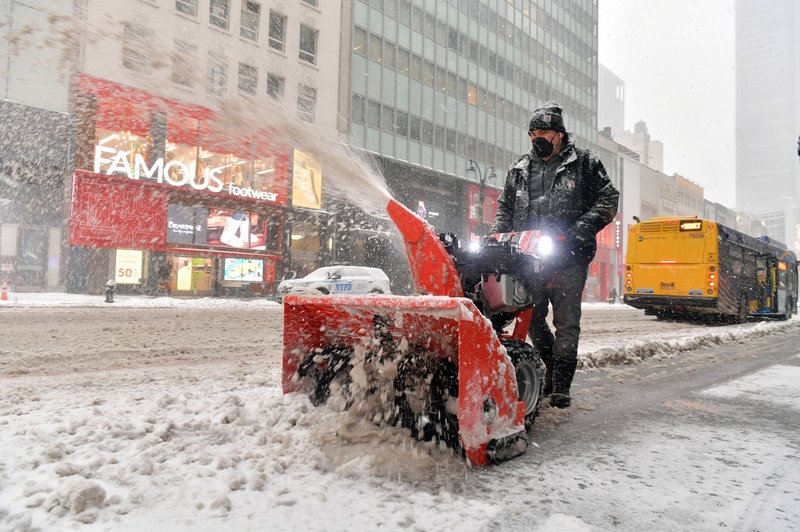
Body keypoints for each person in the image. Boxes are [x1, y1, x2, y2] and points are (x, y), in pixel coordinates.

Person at [492, 101, 619, 408]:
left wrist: (580, 229)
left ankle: (561, 385)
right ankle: (547, 368)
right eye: (533, 132)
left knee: (566, 322)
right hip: (527, 258)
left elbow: (608, 199)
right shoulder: (519, 169)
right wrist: (498, 234)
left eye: (544, 131)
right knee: (531, 318)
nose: (538, 137)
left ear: (560, 134)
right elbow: (506, 206)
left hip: (569, 256)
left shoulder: (584, 164)